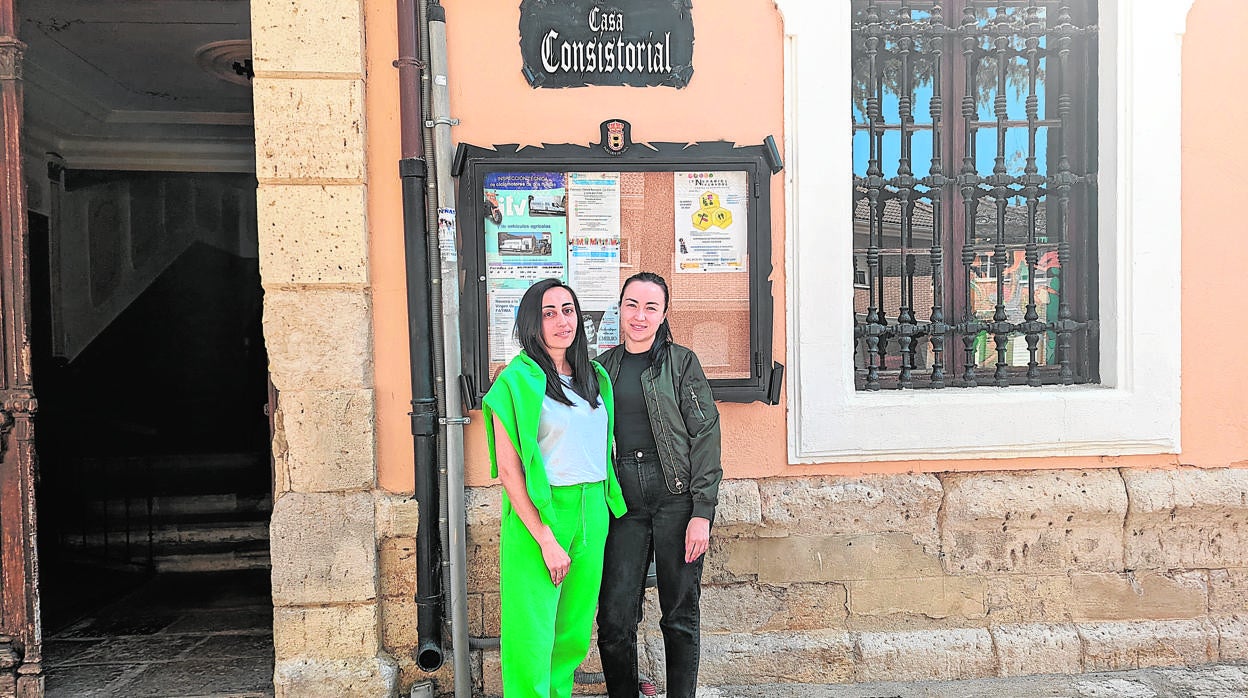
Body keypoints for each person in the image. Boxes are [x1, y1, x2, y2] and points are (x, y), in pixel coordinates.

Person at [482, 278, 627, 698]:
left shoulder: (595, 378)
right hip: (540, 517)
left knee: (572, 635)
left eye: (568, 310)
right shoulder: (515, 382)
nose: (563, 320)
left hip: (592, 511)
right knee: (532, 636)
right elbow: (510, 473)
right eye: (549, 312)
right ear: (532, 322)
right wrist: (545, 537)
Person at [596, 272, 723, 698]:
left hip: (676, 497)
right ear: (620, 309)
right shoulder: (603, 368)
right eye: (632, 304)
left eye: (651, 307)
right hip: (623, 502)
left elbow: (705, 433)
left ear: (664, 313)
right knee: (614, 619)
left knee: (679, 615)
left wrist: (701, 513)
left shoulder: (682, 363)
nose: (639, 315)